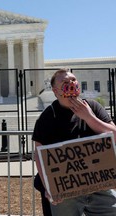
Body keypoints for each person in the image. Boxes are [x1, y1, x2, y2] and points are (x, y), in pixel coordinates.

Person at [33, 68, 116, 216]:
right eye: (65, 82)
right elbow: (39, 154)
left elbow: (114, 135)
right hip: (65, 192)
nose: (70, 83)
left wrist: (89, 118)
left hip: (99, 187)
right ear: (55, 90)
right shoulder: (47, 117)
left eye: (73, 80)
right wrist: (49, 188)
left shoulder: (93, 107)